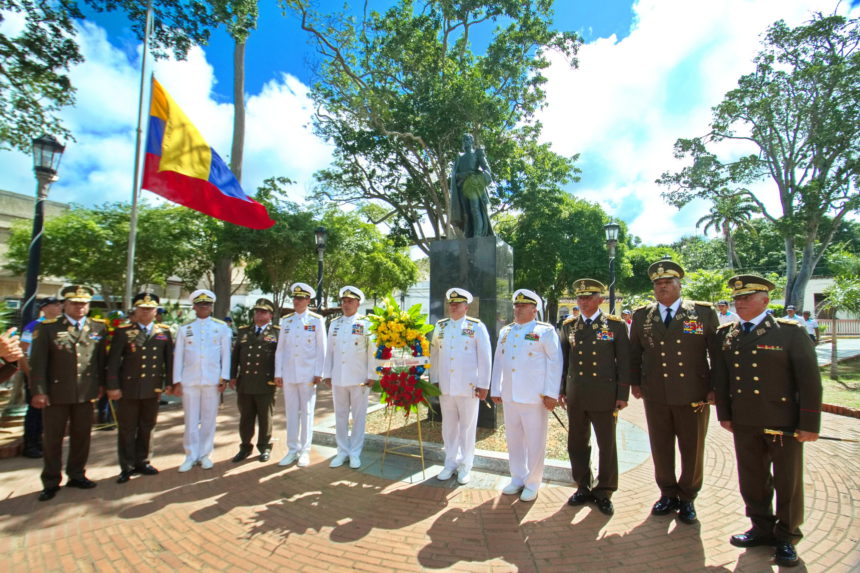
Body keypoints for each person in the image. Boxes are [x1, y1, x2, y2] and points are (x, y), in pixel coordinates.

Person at [712, 275, 821, 568]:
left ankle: (786, 536)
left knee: (788, 481)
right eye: (737, 298)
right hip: (745, 420)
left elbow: (809, 381)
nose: (740, 302)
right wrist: (725, 414)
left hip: (781, 421)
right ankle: (760, 527)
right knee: (752, 478)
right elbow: (722, 380)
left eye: (747, 297)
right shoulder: (727, 334)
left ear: (765, 300)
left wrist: (809, 423)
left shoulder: (789, 332)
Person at [629, 260, 720, 524]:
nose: (662, 287)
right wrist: (635, 383)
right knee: (661, 445)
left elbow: (715, 352)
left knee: (692, 448)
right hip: (656, 393)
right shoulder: (642, 315)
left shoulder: (702, 313)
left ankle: (688, 497)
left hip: (693, 392)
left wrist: (714, 387)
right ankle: (667, 493)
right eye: (658, 284)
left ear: (680, 285)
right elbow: (635, 352)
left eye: (668, 283)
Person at [29, 285, 108, 501]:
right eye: (74, 303)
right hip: (56, 393)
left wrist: (101, 385)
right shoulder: (48, 328)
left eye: (83, 303)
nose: (79, 307)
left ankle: (77, 474)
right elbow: (38, 363)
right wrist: (39, 392)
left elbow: (100, 361)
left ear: (89, 305)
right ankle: (51, 481)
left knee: (82, 437)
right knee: (53, 439)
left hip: (85, 393)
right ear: (64, 304)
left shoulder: (98, 327)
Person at [560, 279, 630, 516]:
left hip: (604, 395)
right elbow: (564, 362)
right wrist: (562, 390)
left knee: (606, 444)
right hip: (576, 395)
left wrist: (622, 394)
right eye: (580, 298)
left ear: (600, 299)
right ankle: (583, 486)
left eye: (589, 297)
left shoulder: (615, 326)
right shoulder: (569, 326)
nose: (583, 301)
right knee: (577, 443)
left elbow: (624, 363)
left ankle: (605, 491)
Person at [490, 288, 562, 502]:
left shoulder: (545, 331)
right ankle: (517, 478)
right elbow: (499, 362)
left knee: (535, 441)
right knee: (513, 440)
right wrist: (496, 389)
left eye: (522, 305)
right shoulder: (506, 332)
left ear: (534, 309)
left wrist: (551, 393)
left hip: (534, 397)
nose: (517, 308)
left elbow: (555, 363)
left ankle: (533, 482)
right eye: (516, 305)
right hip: (511, 396)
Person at [106, 293, 174, 483]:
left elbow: (169, 361)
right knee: (127, 428)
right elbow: (113, 362)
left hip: (152, 388)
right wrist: (113, 386)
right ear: (135, 310)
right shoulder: (123, 331)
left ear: (155, 311)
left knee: (147, 426)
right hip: (128, 388)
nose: (146, 312)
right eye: (142, 308)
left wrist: (169, 383)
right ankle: (126, 466)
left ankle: (143, 461)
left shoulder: (164, 332)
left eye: (150, 308)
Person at [430, 288, 492, 485]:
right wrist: (435, 379)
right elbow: (435, 355)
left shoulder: (476, 326)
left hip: (468, 387)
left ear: (466, 307)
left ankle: (466, 465)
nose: (453, 306)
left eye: (458, 303)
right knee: (448, 428)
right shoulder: (440, 327)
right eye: (451, 303)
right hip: (446, 387)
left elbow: (485, 357)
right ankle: (450, 463)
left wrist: (484, 385)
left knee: (467, 428)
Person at [173, 289, 231, 472]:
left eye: (207, 304)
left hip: (212, 379)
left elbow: (226, 355)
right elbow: (178, 356)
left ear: (211, 307)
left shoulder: (221, 327)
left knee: (208, 419)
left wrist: (225, 377)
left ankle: (205, 454)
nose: (204, 307)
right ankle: (190, 455)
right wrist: (177, 380)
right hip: (190, 380)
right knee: (190, 419)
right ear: (194, 307)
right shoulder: (185, 328)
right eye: (200, 304)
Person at [322, 286, 376, 469]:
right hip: (338, 378)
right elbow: (329, 351)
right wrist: (327, 374)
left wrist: (372, 375)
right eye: (344, 301)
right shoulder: (335, 324)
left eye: (350, 301)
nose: (346, 304)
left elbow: (372, 351)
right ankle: (342, 451)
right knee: (340, 416)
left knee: (359, 417)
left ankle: (355, 453)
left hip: (359, 378)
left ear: (358, 303)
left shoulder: (367, 323)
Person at [275, 282, 326, 468]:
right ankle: (292, 450)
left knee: (307, 412)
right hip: (289, 374)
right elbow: (280, 350)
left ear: (308, 300)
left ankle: (305, 450)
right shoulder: (286, 321)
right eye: (295, 298)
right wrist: (278, 373)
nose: (297, 301)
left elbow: (322, 349)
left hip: (307, 375)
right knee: (291, 412)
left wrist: (319, 372)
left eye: (301, 298)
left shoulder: (316, 320)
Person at [229, 298, 279, 463]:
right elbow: (235, 356)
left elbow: (281, 358)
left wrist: (280, 377)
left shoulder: (277, 332)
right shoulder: (244, 331)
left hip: (266, 382)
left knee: (265, 418)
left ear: (270, 315)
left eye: (263, 312)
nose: (258, 314)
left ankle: (264, 447)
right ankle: (245, 447)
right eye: (257, 311)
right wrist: (232, 376)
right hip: (246, 382)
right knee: (246, 417)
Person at [18, 296, 63, 458]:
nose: (59, 307)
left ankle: (41, 442)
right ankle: (30, 444)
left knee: (48, 410)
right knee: (35, 410)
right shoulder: (33, 326)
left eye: (59, 305)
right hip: (35, 372)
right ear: (44, 308)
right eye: (55, 305)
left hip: (52, 374)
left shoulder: (59, 325)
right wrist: (30, 375)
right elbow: (22, 353)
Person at [450, 133, 494, 238]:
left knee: (475, 208)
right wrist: (462, 175)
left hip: (474, 185)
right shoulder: (459, 157)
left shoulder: (477, 154)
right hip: (463, 187)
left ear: (471, 141)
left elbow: (487, 170)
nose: (465, 142)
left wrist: (478, 178)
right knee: (466, 212)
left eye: (467, 139)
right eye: (463, 140)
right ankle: (469, 234)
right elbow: (454, 175)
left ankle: (478, 234)